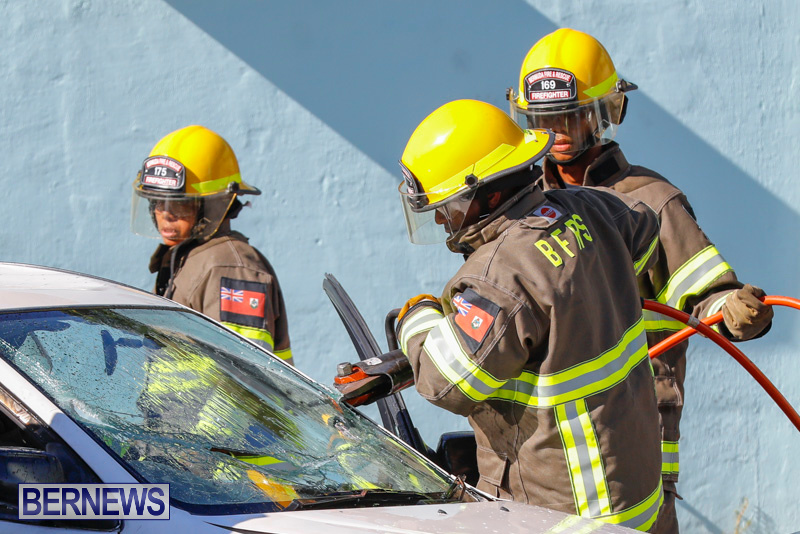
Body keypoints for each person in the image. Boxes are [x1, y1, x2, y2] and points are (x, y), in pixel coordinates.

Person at [507, 28, 773, 533]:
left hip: (631, 444)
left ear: (607, 112)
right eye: (543, 119)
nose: (556, 131)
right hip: (543, 453)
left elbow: (704, 297)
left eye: (571, 116)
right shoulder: (523, 207)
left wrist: (733, 309)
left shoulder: (650, 200)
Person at [395, 99, 663, 531]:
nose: (444, 221)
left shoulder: (500, 275)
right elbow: (645, 229)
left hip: (566, 514)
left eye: (451, 206)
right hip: (636, 496)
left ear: (491, 194)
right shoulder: (590, 207)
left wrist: (417, 318)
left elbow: (447, 384)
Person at [130, 125, 293, 365]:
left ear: (215, 206)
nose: (165, 214)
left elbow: (241, 371)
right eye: (157, 202)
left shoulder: (229, 269)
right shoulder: (188, 258)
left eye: (179, 204)